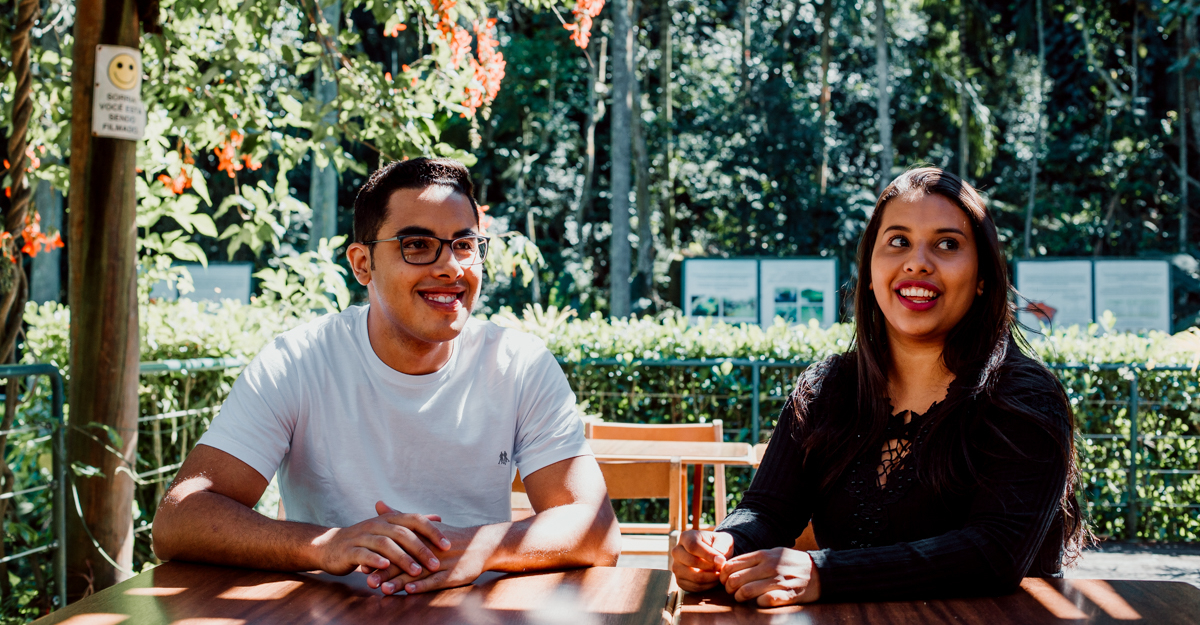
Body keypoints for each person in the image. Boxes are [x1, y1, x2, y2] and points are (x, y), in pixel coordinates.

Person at [153, 157, 620, 594]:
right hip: (326, 613)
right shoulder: (298, 361)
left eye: (464, 244)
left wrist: (478, 547)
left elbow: (596, 529)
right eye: (416, 245)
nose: (450, 267)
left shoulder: (518, 364)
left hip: (475, 613)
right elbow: (179, 520)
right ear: (362, 264)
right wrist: (326, 545)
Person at [671, 167, 1087, 606]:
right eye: (898, 241)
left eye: (947, 244)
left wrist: (823, 573)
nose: (917, 262)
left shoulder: (1025, 398)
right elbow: (769, 509)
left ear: (983, 276)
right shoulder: (826, 388)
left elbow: (995, 553)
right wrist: (725, 545)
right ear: (870, 271)